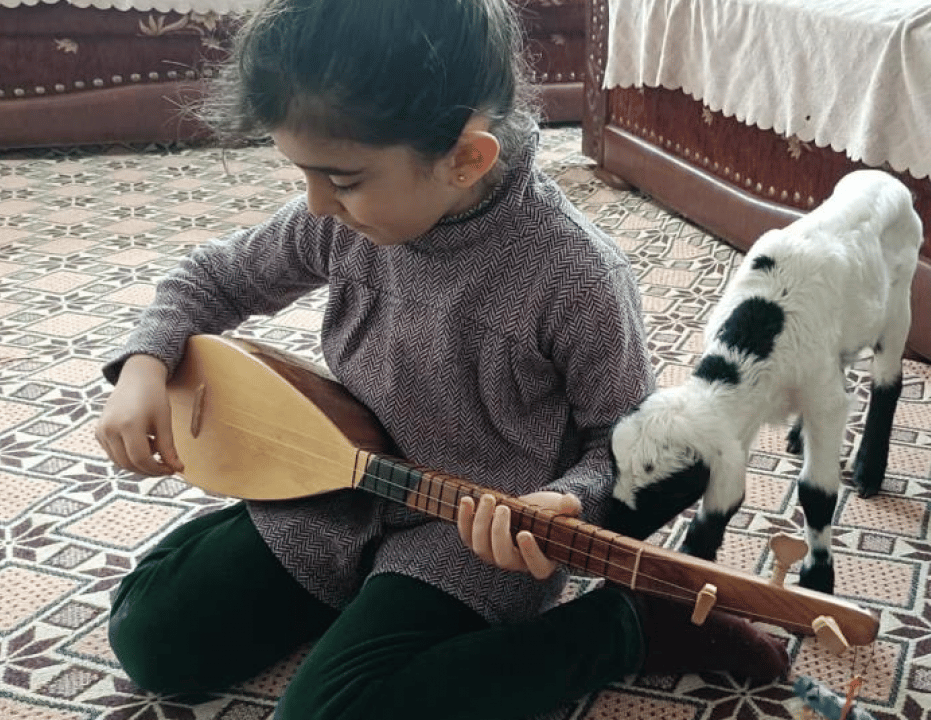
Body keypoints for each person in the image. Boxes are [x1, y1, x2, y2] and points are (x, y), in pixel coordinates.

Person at [94, 1, 790, 718]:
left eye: (341, 178)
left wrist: (569, 501)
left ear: (464, 159)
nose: (317, 204)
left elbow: (625, 441)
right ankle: (354, 606)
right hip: (334, 487)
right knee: (152, 638)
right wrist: (146, 362)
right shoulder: (337, 221)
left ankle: (630, 629)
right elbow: (214, 277)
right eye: (302, 174)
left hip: (469, 539)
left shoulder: (575, 276)